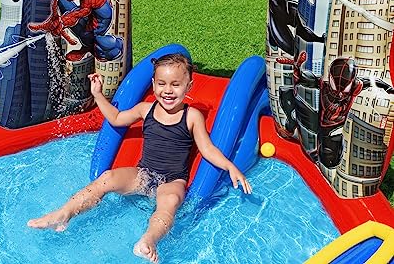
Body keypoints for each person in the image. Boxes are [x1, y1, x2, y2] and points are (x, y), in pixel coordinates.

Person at [27, 53, 252, 263]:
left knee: (170, 202)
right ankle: (64, 213)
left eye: (176, 84)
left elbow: (207, 148)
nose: (168, 90)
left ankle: (149, 240)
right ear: (153, 84)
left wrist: (230, 166)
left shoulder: (191, 116)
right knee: (106, 178)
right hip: (143, 173)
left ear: (188, 86)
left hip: (172, 180)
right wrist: (97, 95)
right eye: (162, 84)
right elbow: (116, 118)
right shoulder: (146, 109)